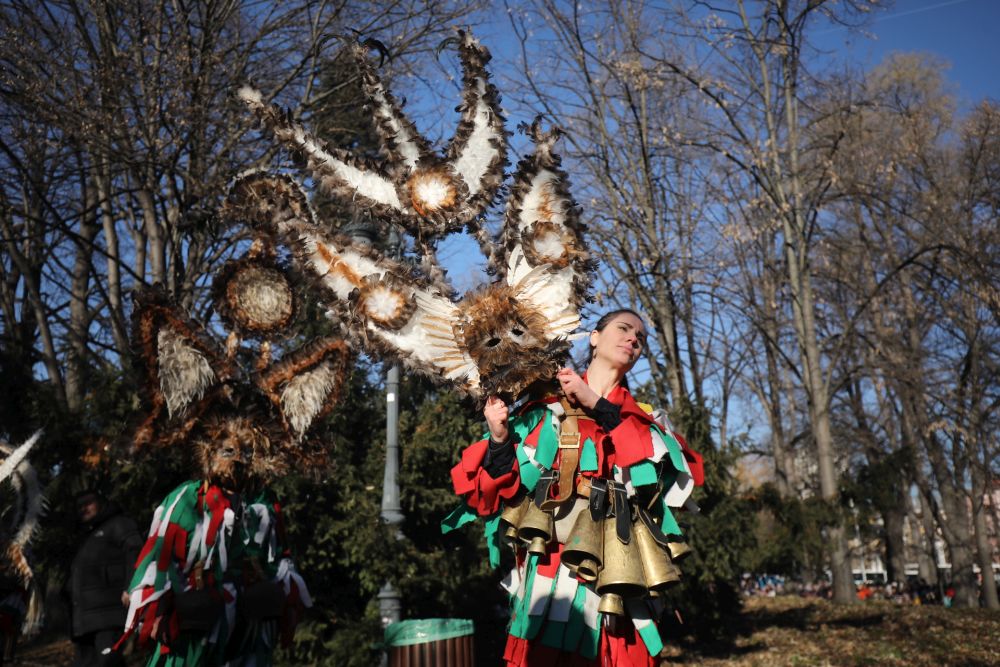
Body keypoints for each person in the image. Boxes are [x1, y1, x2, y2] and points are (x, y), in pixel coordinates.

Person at [448, 309, 704, 666]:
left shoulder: (647, 418)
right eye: (624, 329)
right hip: (552, 566)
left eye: (640, 337)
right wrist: (499, 436)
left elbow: (657, 479)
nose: (633, 338)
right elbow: (498, 492)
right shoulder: (547, 410)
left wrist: (595, 403)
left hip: (621, 571)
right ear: (594, 338)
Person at [68, 489, 143, 667]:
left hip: (109, 615)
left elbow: (136, 551)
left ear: (101, 503)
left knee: (108, 663)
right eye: (80, 506)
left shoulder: (119, 524)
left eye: (89, 503)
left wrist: (132, 586)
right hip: (84, 621)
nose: (84, 509)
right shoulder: (85, 537)